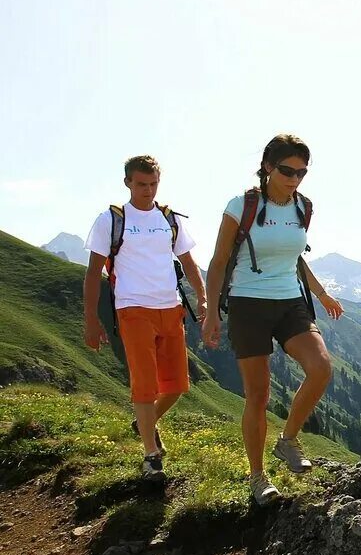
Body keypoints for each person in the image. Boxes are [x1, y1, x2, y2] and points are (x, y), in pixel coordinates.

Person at [202, 134, 343, 506]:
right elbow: (218, 262)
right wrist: (212, 310)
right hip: (248, 303)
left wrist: (321, 292)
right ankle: (257, 477)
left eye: (302, 172)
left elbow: (294, 256)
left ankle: (288, 440)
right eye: (287, 170)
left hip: (290, 301)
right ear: (267, 166)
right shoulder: (242, 205)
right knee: (258, 396)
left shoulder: (303, 207)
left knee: (321, 367)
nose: (295, 178)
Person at [84, 155, 207, 482]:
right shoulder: (110, 220)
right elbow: (93, 272)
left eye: (153, 184)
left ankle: (144, 422)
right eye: (141, 184)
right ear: (128, 182)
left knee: (178, 385)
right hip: (133, 308)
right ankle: (151, 455)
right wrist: (91, 320)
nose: (148, 190)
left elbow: (188, 260)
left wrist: (203, 296)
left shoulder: (169, 219)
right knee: (145, 382)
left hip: (170, 307)